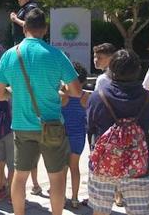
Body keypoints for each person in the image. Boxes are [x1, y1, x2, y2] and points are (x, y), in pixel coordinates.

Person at [0, 8, 82, 215]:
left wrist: (13, 91)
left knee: (20, 176)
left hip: (22, 126)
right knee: (57, 177)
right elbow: (76, 91)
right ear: (45, 29)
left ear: (25, 28)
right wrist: (62, 89)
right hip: (52, 126)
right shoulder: (57, 55)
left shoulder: (9, 55)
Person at [86, 50, 149, 215]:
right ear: (138, 70)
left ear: (111, 69)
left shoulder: (98, 96)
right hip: (138, 166)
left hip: (104, 163)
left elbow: (90, 128)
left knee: (100, 212)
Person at [60, 62, 90, 208]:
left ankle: (62, 197)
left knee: (64, 169)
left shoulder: (63, 95)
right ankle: (75, 198)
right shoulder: (86, 96)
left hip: (64, 135)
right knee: (74, 167)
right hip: (79, 135)